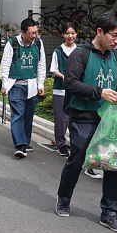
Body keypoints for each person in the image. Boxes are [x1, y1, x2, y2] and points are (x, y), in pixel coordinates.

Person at [55, 11, 117, 232]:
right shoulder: (80, 54)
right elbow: (70, 83)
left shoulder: (115, 56)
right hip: (83, 117)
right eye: (114, 35)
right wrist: (99, 92)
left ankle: (110, 212)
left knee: (113, 164)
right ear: (99, 31)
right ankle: (64, 197)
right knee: (76, 160)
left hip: (109, 118)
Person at [0, 18, 46, 159]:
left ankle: (25, 141)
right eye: (31, 33)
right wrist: (4, 84)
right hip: (16, 85)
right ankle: (20, 145)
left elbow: (41, 64)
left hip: (31, 85)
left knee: (28, 116)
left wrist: (41, 84)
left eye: (36, 32)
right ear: (23, 32)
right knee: (18, 114)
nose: (34, 36)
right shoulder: (12, 43)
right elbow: (5, 64)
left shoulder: (38, 43)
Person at [49, 22, 78, 157]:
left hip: (77, 90)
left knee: (75, 118)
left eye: (73, 33)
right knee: (61, 119)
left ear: (76, 34)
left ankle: (75, 144)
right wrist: (63, 76)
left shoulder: (80, 51)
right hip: (60, 90)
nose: (70, 36)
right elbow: (54, 69)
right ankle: (61, 144)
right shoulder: (58, 51)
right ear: (63, 35)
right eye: (67, 33)